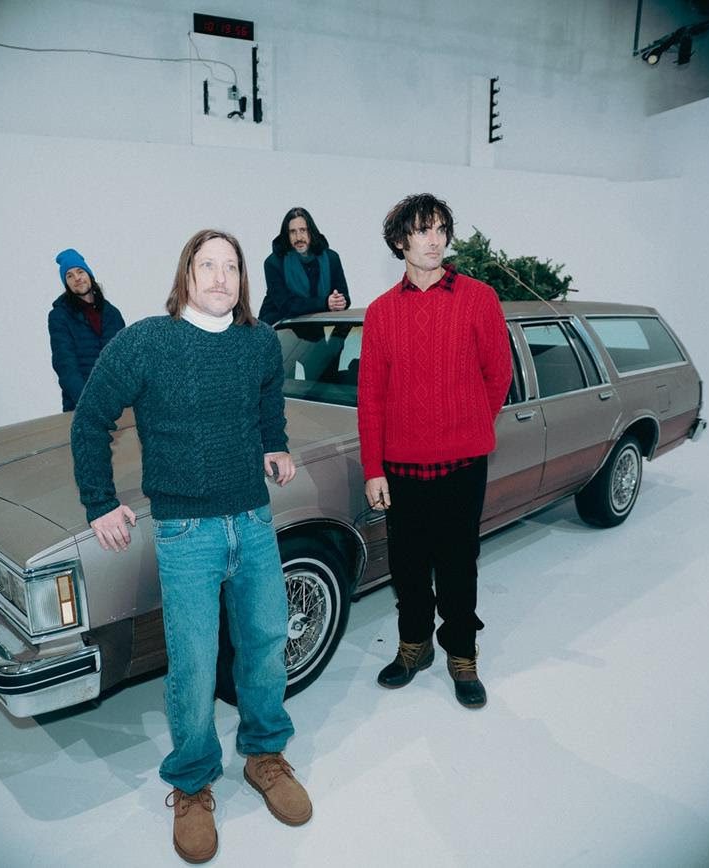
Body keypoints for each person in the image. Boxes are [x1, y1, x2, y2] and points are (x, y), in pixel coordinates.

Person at [70, 229, 311, 864]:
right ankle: (194, 781)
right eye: (208, 264)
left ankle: (264, 754)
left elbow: (267, 402)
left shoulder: (260, 341)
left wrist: (274, 444)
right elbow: (90, 418)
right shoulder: (147, 341)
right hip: (185, 534)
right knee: (195, 662)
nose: (221, 276)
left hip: (254, 523)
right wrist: (99, 501)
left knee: (265, 641)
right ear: (186, 273)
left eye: (231, 266)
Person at [357, 194, 512, 709]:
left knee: (458, 561)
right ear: (400, 240)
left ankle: (461, 652)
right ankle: (413, 645)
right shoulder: (380, 313)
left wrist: (467, 423)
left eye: (441, 229)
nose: (435, 239)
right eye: (424, 230)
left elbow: (499, 374)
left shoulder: (479, 298)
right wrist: (373, 468)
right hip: (400, 468)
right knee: (406, 564)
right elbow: (371, 396)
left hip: (461, 465)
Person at [48, 248, 125, 411]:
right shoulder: (60, 316)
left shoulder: (112, 314)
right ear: (66, 283)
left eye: (80, 272)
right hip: (80, 407)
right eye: (69, 276)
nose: (77, 278)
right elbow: (65, 364)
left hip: (116, 405)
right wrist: (88, 403)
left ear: (89, 275)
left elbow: (123, 361)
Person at [258, 206, 350, 324]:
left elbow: (344, 296)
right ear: (286, 235)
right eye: (293, 232)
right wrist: (325, 303)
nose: (298, 238)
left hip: (317, 328)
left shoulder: (331, 258)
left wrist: (340, 301)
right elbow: (287, 306)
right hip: (278, 328)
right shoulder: (274, 263)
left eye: (303, 230)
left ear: (311, 231)